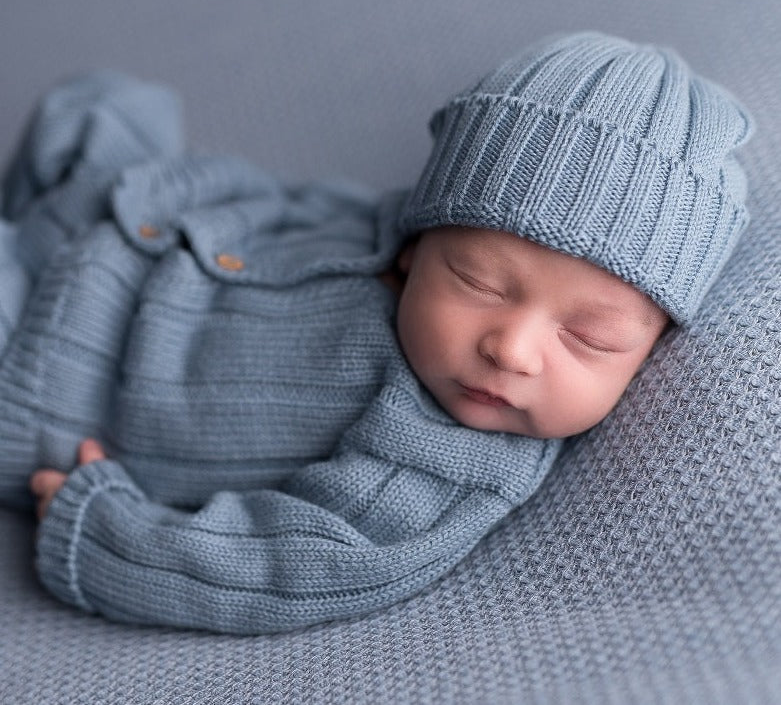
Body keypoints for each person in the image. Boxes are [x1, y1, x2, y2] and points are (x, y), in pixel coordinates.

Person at [0, 31, 753, 633]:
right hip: (134, 225)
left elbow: (285, 563)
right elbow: (293, 209)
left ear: (649, 347)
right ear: (421, 237)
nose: (512, 349)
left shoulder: (443, 456)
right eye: (479, 282)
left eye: (587, 336)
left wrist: (111, 532)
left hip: (44, 367)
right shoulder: (390, 226)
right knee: (101, 105)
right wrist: (189, 191)